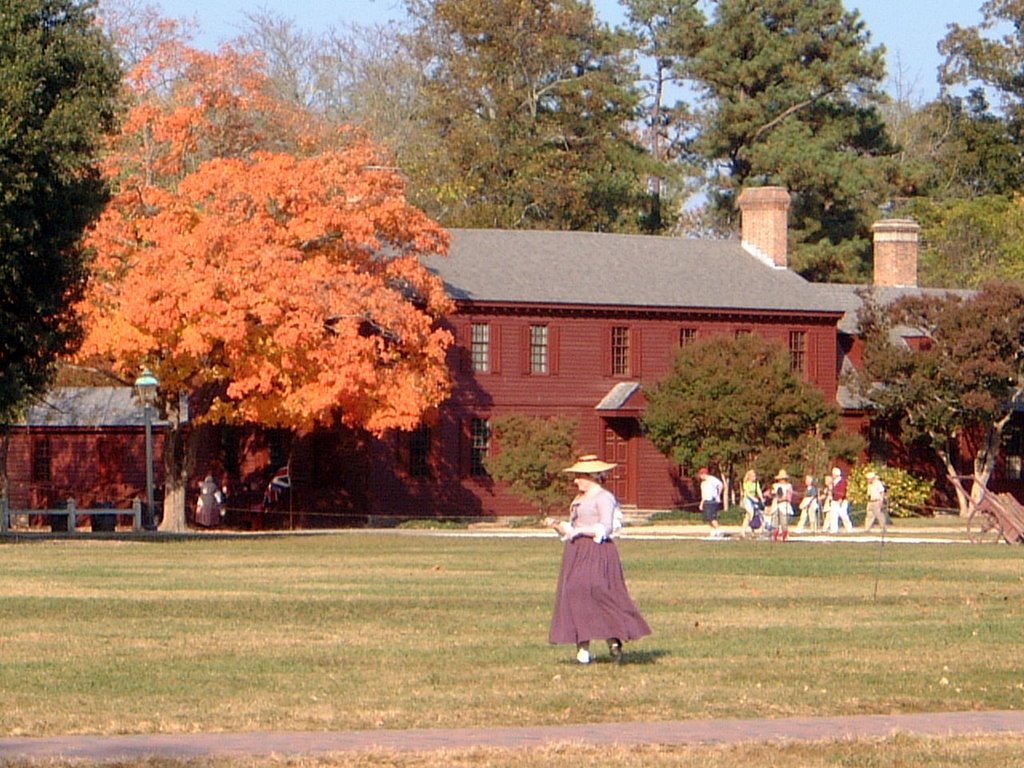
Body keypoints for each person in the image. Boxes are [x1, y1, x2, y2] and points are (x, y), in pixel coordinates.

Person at [545, 455, 651, 665]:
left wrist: (579, 531)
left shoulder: (604, 497)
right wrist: (558, 525)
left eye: (579, 477)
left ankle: (613, 637)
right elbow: (573, 528)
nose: (576, 481)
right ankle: (583, 648)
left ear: (591, 476)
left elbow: (606, 526)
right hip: (577, 551)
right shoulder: (579, 498)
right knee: (574, 591)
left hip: (597, 550)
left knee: (597, 590)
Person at [697, 467, 725, 539]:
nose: (700, 477)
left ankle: (719, 530)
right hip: (706, 501)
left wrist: (718, 495)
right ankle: (713, 531)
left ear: (704, 474)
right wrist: (701, 503)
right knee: (708, 518)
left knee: (712, 517)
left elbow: (720, 485)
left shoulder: (712, 479)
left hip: (712, 501)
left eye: (700, 475)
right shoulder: (703, 483)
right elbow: (703, 494)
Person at [769, 469, 794, 541]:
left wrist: (782, 499)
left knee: (784, 523)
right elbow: (771, 494)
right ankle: (775, 537)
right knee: (775, 523)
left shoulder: (789, 486)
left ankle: (784, 537)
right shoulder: (775, 485)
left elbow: (789, 497)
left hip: (784, 505)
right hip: (775, 505)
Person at [827, 467, 854, 533]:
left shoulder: (842, 481)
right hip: (834, 500)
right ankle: (833, 529)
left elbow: (843, 491)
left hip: (842, 501)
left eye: (833, 474)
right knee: (833, 515)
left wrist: (841, 498)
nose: (832, 475)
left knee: (843, 514)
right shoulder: (833, 482)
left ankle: (849, 528)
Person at [740, 469, 764, 537]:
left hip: (754, 500)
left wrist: (761, 499)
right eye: (753, 476)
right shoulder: (746, 483)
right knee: (751, 513)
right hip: (747, 500)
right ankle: (749, 527)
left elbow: (758, 491)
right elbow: (747, 493)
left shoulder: (756, 483)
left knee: (750, 516)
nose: (754, 477)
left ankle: (746, 531)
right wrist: (753, 499)